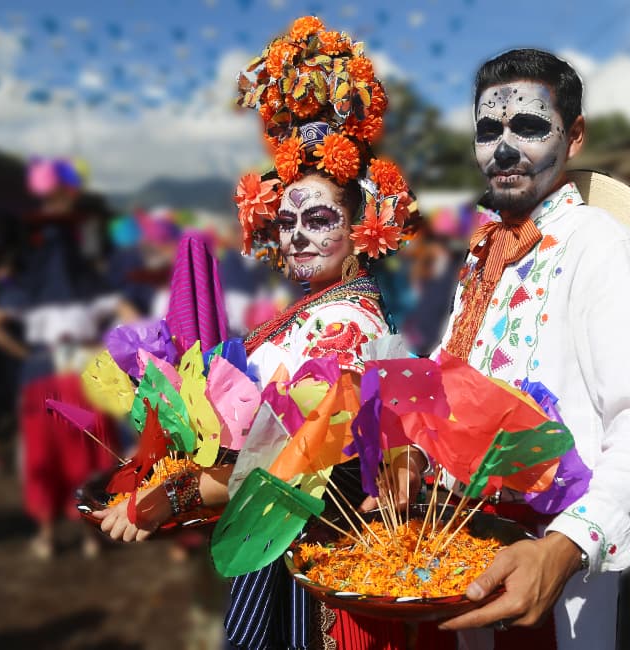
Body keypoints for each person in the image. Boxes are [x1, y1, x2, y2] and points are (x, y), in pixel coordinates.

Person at [94, 16, 430, 649]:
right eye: (285, 219)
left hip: (319, 569)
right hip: (276, 553)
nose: (297, 233)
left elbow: (290, 467)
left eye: (319, 217)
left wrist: (174, 495)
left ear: (363, 225)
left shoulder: (349, 326)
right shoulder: (303, 315)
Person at [431, 49, 630, 649]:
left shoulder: (597, 244)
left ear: (573, 137)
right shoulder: (484, 254)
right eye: (488, 130)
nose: (503, 149)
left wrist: (566, 546)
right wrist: (414, 452)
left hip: (550, 574)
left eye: (527, 126)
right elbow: (452, 382)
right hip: (463, 551)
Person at [0, 157, 121, 560]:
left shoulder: (27, 283)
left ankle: (45, 535)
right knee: (86, 457)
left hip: (39, 374)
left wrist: (25, 352)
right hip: (80, 375)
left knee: (43, 459)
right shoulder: (90, 282)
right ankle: (91, 536)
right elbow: (128, 318)